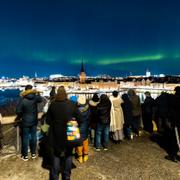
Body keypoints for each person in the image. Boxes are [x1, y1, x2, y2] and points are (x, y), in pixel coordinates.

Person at [46, 86, 82, 180]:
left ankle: (55, 177)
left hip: (55, 135)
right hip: (69, 134)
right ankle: (66, 176)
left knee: (56, 156)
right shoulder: (72, 104)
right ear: (66, 94)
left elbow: (48, 121)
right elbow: (81, 119)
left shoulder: (52, 105)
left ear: (57, 94)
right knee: (68, 155)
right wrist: (74, 124)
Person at [16, 84, 43, 161]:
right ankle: (33, 153)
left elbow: (18, 111)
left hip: (25, 121)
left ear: (25, 90)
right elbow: (40, 99)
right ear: (31, 90)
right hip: (34, 121)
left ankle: (25, 155)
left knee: (25, 138)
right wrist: (37, 93)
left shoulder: (23, 99)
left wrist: (22, 115)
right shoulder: (35, 98)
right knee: (34, 137)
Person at [164, 86, 180, 162]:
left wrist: (170, 120)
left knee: (175, 139)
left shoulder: (174, 99)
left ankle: (173, 156)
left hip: (176, 123)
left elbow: (171, 112)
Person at [76, 95, 90, 163]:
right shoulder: (88, 109)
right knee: (85, 141)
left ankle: (80, 157)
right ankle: (86, 155)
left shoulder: (76, 110)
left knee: (79, 143)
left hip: (78, 128)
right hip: (85, 127)